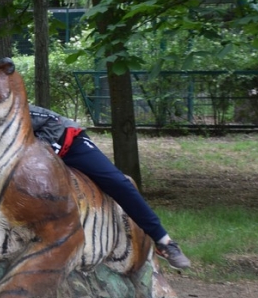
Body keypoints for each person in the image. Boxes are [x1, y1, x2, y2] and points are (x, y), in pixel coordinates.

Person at [28, 104, 191, 270]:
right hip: (35, 165)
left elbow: (52, 121)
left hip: (70, 145)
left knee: (118, 183)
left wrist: (41, 151)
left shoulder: (14, 108)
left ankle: (164, 242)